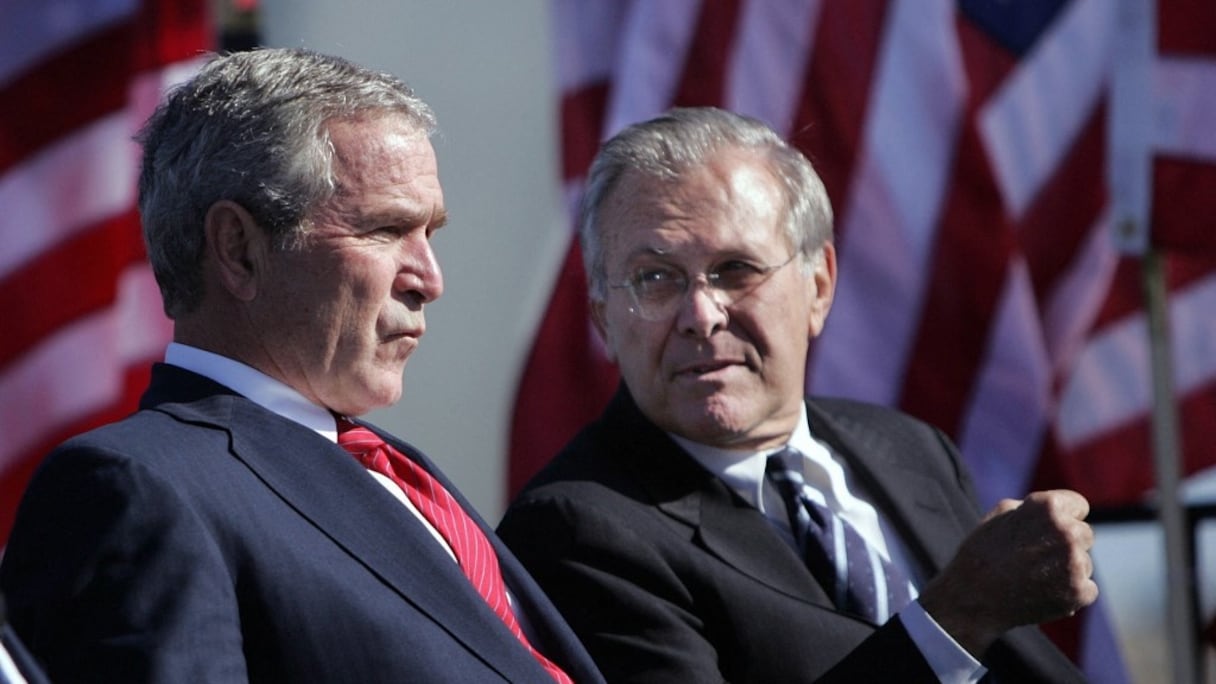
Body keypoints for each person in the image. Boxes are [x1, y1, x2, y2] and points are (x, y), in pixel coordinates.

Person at [0, 48, 603, 684]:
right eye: (384, 229)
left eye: (431, 234)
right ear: (239, 250)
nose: (430, 279)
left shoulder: (399, 472)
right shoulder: (135, 488)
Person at [497, 107, 1096, 683]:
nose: (701, 315)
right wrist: (960, 615)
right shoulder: (574, 529)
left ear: (819, 285)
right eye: (656, 279)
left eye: (735, 269)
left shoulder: (908, 449)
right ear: (603, 320)